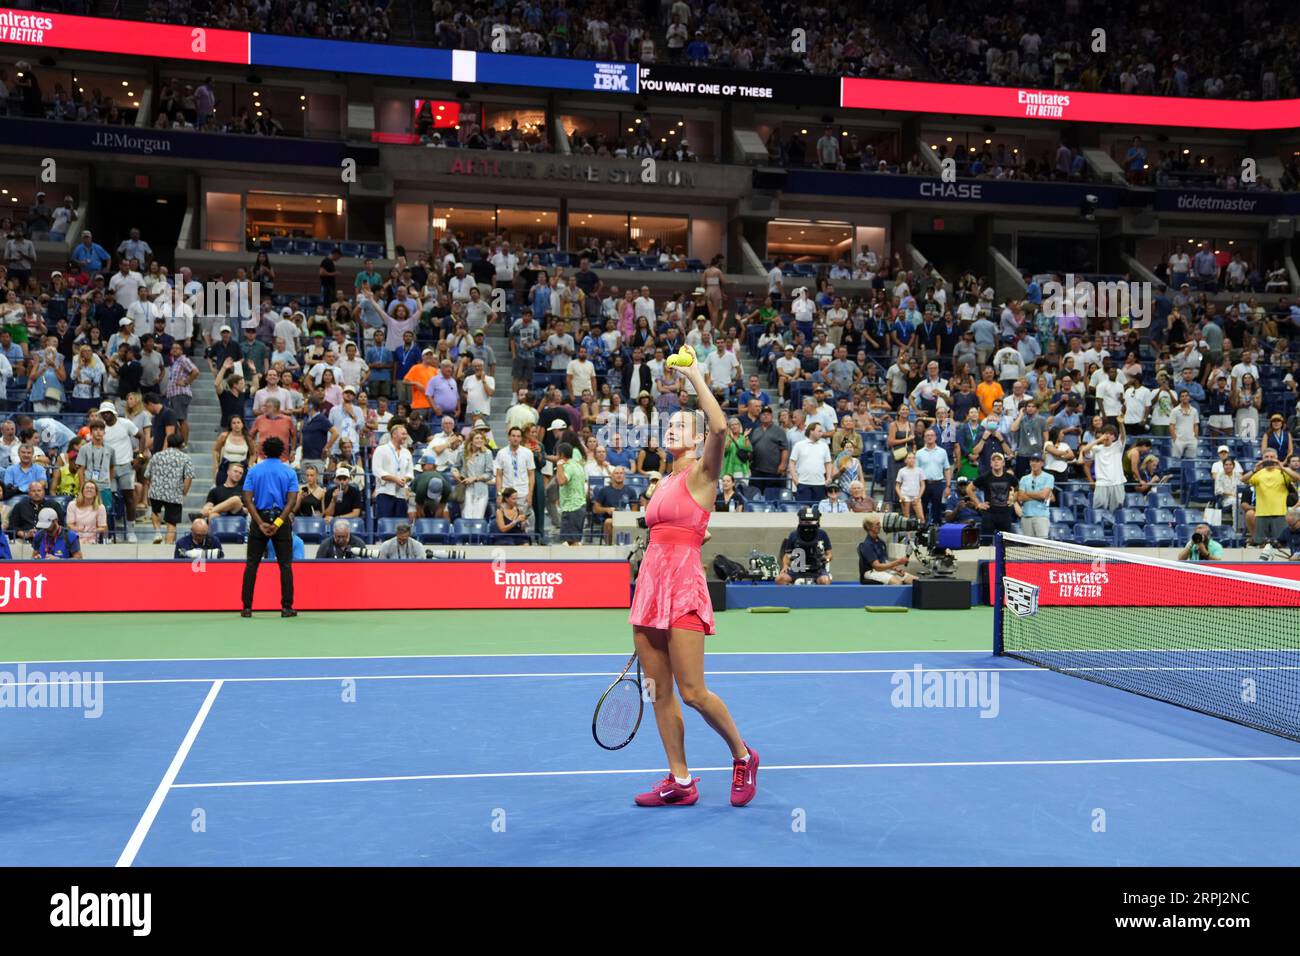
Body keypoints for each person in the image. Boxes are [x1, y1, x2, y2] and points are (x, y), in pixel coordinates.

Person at [626, 344, 757, 808]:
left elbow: (719, 425)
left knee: (693, 691)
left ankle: (742, 756)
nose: (671, 427)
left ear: (699, 438)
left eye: (682, 424)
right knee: (658, 691)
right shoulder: (661, 481)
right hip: (649, 590)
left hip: (682, 587)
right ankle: (680, 780)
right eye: (670, 423)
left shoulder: (704, 474)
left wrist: (695, 376)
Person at [240, 435, 299, 617]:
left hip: (260, 519)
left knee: (252, 564)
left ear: (263, 451)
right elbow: (291, 501)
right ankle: (286, 607)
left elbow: (247, 499)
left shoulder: (254, 471)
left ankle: (247, 608)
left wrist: (259, 523)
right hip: (281, 520)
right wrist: (279, 522)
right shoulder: (289, 472)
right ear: (282, 452)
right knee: (285, 566)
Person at [143, 432, 193, 544]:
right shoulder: (185, 458)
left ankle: (157, 532)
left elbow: (147, 475)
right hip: (174, 493)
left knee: (155, 511)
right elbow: (189, 477)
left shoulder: (156, 456)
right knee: (172, 521)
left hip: (156, 491)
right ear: (181, 444)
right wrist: (184, 492)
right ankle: (168, 544)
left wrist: (151, 488)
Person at [858, 517, 917, 584]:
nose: (880, 526)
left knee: (914, 580)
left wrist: (896, 569)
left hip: (883, 570)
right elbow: (877, 567)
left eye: (879, 524)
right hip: (871, 571)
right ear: (869, 527)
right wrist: (898, 562)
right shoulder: (867, 545)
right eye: (877, 524)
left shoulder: (881, 542)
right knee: (897, 583)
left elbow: (885, 561)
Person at [1016, 454, 1055, 538]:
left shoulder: (1049, 477)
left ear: (1042, 463)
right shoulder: (1024, 478)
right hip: (1026, 516)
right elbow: (1020, 497)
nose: (1034, 463)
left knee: (1041, 547)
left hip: (1041, 516)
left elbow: (1044, 495)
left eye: (1037, 461)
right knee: (1028, 548)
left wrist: (1027, 493)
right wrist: (1039, 494)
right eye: (1032, 461)